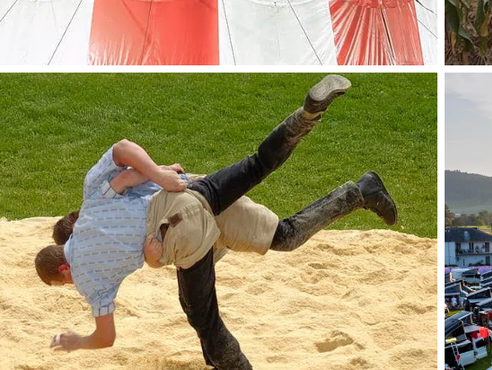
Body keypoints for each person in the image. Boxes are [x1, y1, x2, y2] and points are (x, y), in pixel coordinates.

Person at [34, 75, 398, 370]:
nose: (69, 283)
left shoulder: (90, 282)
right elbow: (124, 149)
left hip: (183, 233)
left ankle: (231, 365)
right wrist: (159, 175)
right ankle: (319, 129)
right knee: (264, 179)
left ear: (65, 267)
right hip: (192, 191)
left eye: (62, 282)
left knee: (205, 322)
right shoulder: (97, 196)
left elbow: (105, 339)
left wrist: (75, 341)